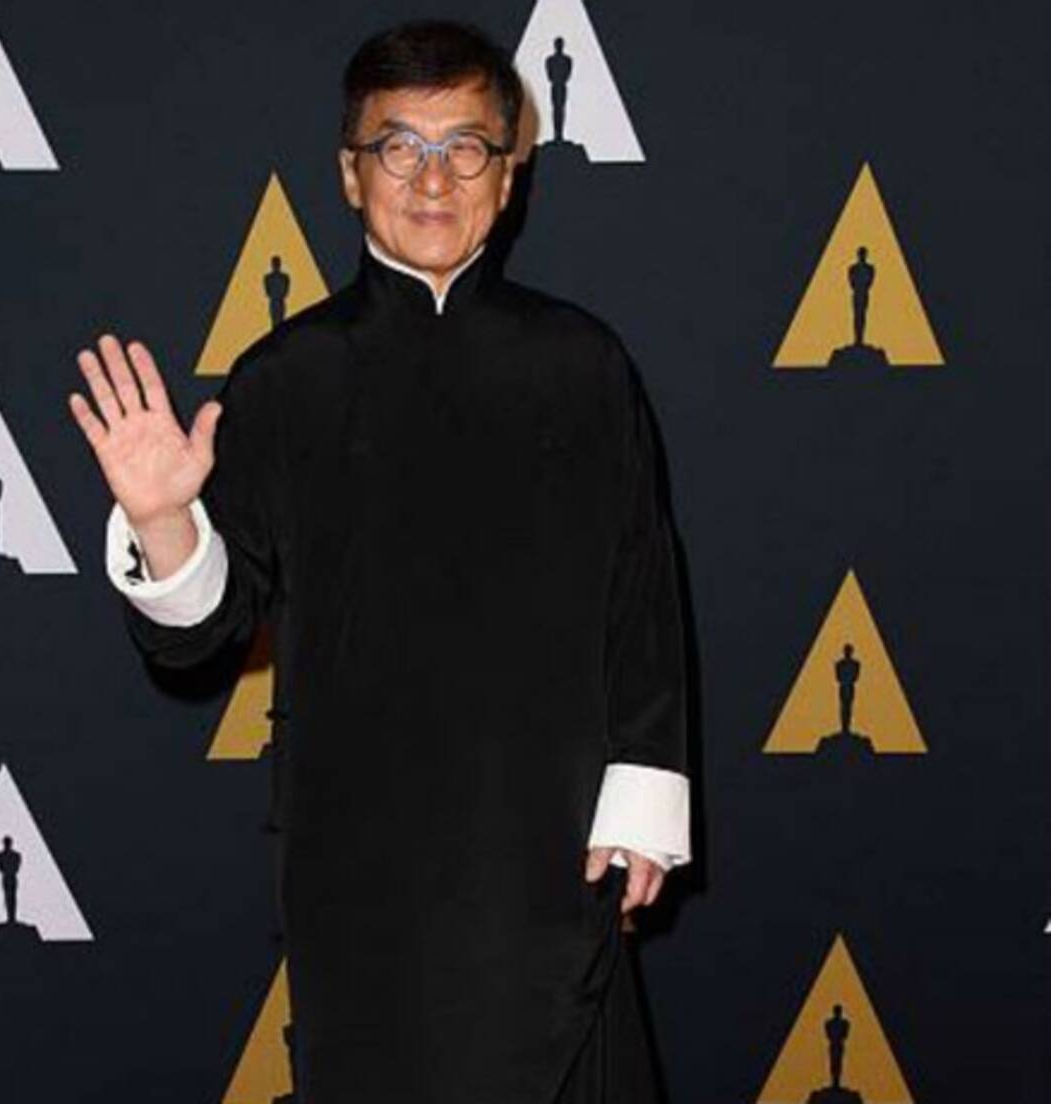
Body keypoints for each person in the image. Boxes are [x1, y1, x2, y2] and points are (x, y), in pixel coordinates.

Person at [68, 19, 691, 1104]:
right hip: (361, 873)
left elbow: (641, 589)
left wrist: (643, 799)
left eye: (466, 148)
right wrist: (165, 523)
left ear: (510, 176)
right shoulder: (283, 379)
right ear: (351, 175)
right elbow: (201, 637)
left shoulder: (584, 365)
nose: (434, 179)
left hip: (552, 856)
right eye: (399, 147)